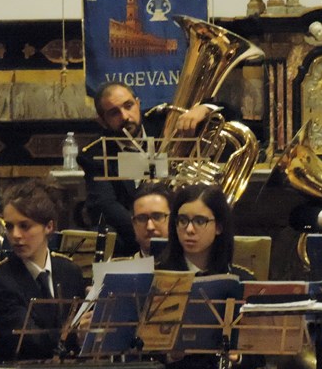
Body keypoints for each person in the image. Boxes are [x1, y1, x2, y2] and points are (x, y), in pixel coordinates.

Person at [77, 81, 223, 257]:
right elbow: (106, 205)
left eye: (128, 106)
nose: (125, 116)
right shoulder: (95, 154)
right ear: (102, 121)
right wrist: (150, 230)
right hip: (134, 241)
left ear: (138, 104)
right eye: (114, 112)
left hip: (186, 228)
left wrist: (205, 109)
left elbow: (233, 113)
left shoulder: (165, 122)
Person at [155, 184, 264, 369]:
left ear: (219, 227)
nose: (189, 229)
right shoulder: (159, 277)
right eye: (182, 220)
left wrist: (237, 358)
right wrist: (170, 355)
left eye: (200, 221)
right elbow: (138, 349)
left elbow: (258, 355)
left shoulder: (241, 281)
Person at [0, 179, 86, 362]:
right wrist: (78, 333)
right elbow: (30, 340)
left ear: (49, 227)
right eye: (9, 226)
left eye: (25, 226)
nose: (15, 236)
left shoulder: (70, 271)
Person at [131, 182, 171, 259]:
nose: (150, 227)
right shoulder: (121, 269)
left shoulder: (195, 268)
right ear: (133, 224)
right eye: (142, 218)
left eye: (157, 217)